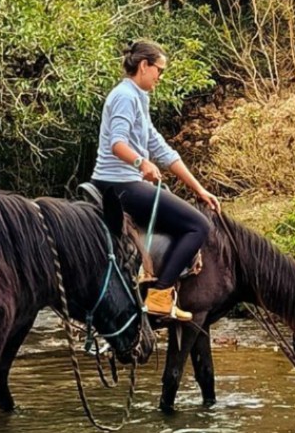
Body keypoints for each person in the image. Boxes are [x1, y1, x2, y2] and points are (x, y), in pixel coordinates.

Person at [91, 40, 220, 322]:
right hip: (119, 185)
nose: (159, 77)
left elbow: (159, 146)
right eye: (159, 70)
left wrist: (198, 189)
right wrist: (141, 163)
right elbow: (117, 143)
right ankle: (161, 295)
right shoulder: (125, 95)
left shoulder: (139, 96)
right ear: (144, 66)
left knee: (190, 218)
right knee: (199, 225)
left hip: (127, 181)